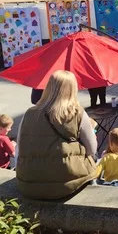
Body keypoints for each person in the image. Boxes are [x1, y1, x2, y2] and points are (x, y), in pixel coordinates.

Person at [16, 70, 98, 200]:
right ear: (73, 89)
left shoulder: (29, 114)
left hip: (28, 182)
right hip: (67, 183)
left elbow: (19, 147)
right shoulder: (77, 113)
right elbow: (92, 150)